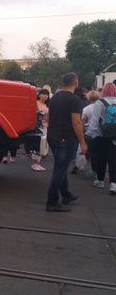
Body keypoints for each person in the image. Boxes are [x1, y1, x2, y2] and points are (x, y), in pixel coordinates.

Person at [45, 72, 87, 212]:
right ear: (76, 83)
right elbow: (76, 122)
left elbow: (48, 117)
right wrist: (82, 142)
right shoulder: (74, 100)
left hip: (53, 136)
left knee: (59, 166)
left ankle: (65, 194)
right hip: (66, 138)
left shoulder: (55, 97)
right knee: (60, 169)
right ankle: (52, 201)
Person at [88, 83, 116, 194]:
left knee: (101, 158)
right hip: (115, 135)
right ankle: (114, 184)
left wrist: (90, 133)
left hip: (101, 134)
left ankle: (100, 180)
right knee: (114, 159)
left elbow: (94, 120)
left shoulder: (100, 102)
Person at [31, 89, 50, 171]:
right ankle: (34, 163)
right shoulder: (35, 103)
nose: (45, 96)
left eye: (47, 94)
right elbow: (32, 113)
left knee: (42, 146)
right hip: (37, 127)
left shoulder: (47, 104)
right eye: (43, 94)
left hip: (45, 127)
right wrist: (40, 113)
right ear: (39, 95)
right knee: (37, 144)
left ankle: (38, 163)